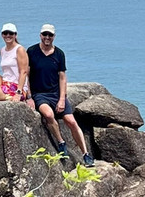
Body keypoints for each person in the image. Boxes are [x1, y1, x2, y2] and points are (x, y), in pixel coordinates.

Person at [26, 24, 94, 166]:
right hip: (40, 95)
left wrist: (62, 99)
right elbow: (27, 74)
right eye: (45, 34)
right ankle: (61, 142)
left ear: (54, 37)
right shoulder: (32, 51)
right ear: (40, 35)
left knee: (71, 121)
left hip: (56, 94)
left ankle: (86, 154)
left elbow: (62, 77)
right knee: (49, 115)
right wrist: (29, 96)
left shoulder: (59, 54)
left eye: (50, 35)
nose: (47, 37)